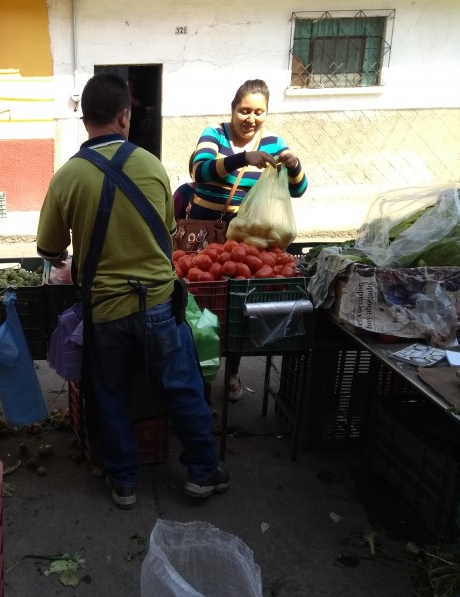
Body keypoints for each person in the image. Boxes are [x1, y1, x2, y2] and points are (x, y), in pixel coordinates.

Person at [37, 73, 228, 509]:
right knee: (183, 388)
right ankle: (202, 472)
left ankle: (124, 483)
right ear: (125, 116)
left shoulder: (67, 177)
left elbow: (49, 249)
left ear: (84, 119)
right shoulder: (152, 166)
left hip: (105, 311)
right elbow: (167, 231)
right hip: (160, 304)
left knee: (110, 395)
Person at [186, 79, 309, 402]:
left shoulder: (273, 143)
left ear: (266, 113)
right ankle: (203, 375)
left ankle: (233, 373)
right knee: (203, 307)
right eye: (244, 110)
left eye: (258, 111)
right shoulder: (214, 134)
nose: (250, 118)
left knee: (239, 310)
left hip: (245, 244)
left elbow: (297, 190)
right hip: (204, 237)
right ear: (232, 109)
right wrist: (243, 159)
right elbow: (200, 171)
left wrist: (293, 165)